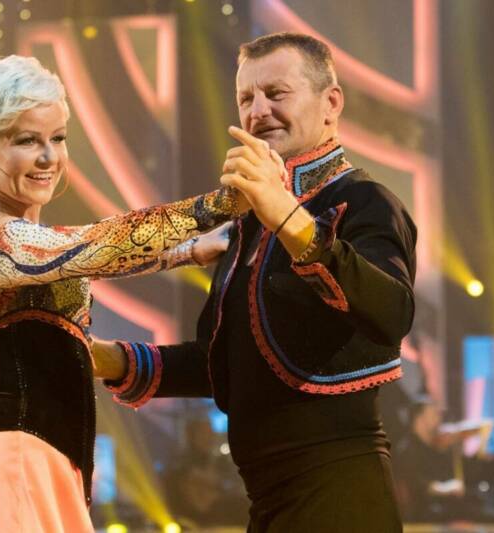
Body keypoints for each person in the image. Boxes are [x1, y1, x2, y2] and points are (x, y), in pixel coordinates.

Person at [93, 32, 417, 532]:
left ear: (331, 104)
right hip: (267, 504)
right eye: (246, 98)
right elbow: (224, 362)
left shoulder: (365, 201)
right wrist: (101, 358)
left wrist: (286, 215)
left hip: (340, 500)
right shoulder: (250, 225)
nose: (259, 111)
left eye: (276, 93)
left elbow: (391, 311)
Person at [0, 55, 241, 532]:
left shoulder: (13, 234)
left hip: (33, 465)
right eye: (27, 140)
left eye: (58, 138)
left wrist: (187, 252)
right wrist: (220, 205)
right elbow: (93, 247)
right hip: (13, 469)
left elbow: (77, 256)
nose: (49, 158)